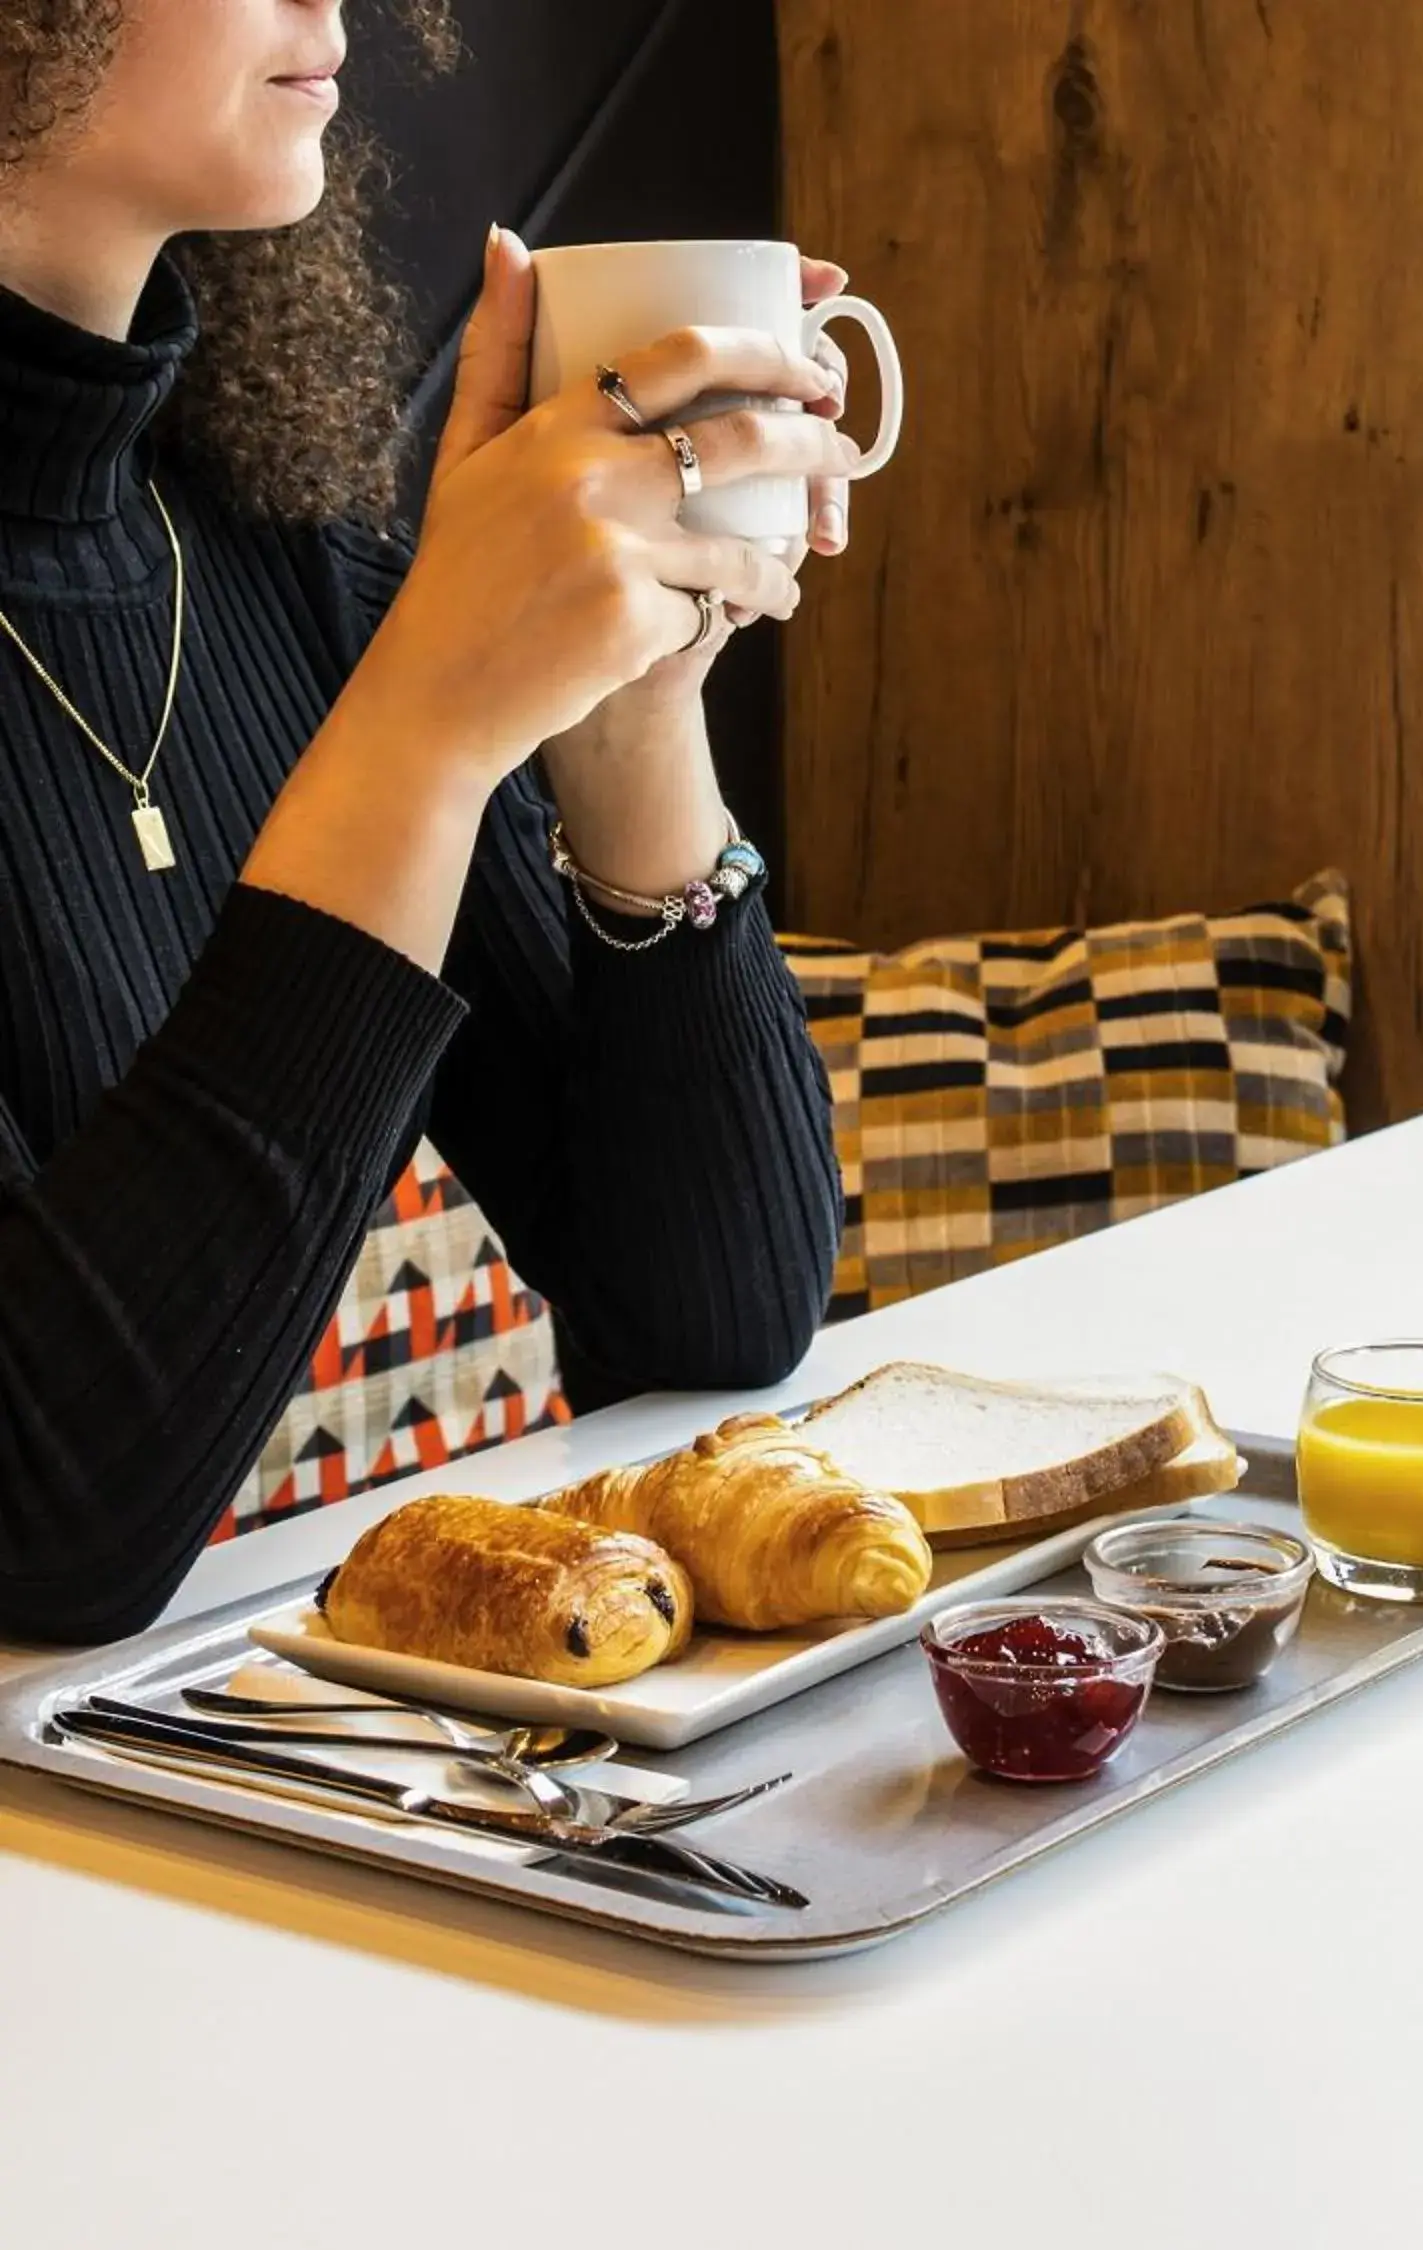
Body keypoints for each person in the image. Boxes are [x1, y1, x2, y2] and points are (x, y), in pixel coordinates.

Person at [0, 0, 850, 1642]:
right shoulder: (372, 660)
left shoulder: (278, 569)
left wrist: (629, 700)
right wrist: (433, 718)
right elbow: (47, 1530)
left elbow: (712, 1313)